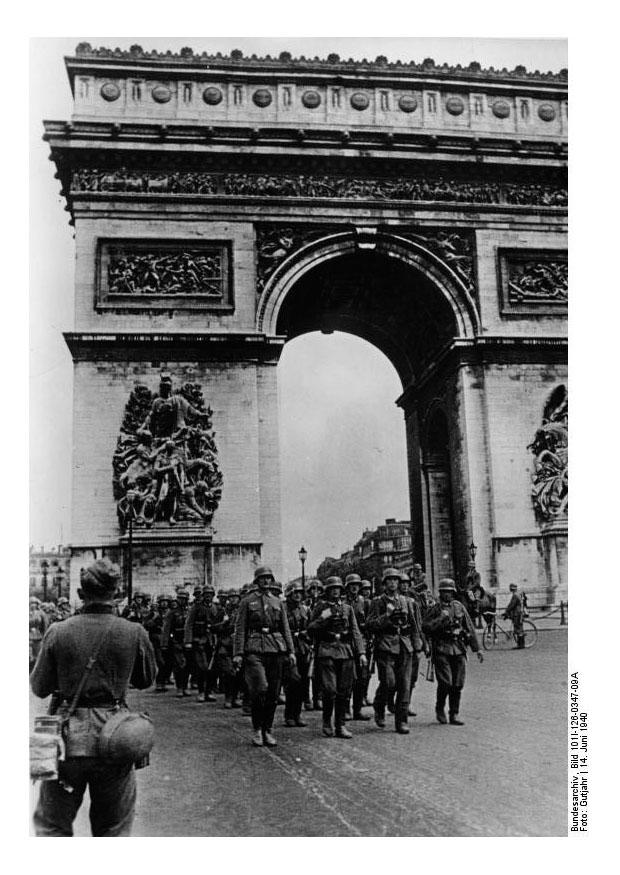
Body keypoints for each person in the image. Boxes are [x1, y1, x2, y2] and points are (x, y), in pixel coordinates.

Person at [30, 558, 157, 837]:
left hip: (66, 741)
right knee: (113, 830)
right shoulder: (133, 631)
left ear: (80, 594)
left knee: (52, 827)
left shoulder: (58, 631)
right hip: (116, 738)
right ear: (117, 594)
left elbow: (39, 687)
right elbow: (146, 680)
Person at [233, 566, 296, 747]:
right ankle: (257, 729)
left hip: (276, 649)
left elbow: (285, 628)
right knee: (260, 688)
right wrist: (238, 653)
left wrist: (291, 651)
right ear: (257, 581)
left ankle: (267, 729)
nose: (266, 581)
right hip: (254, 649)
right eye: (262, 578)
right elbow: (240, 628)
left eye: (269, 578)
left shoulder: (278, 602)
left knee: (273, 693)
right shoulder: (247, 601)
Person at [307, 576, 367, 739]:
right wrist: (325, 617)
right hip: (327, 650)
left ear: (342, 590)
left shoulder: (348, 608)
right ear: (327, 591)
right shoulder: (321, 607)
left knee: (344, 690)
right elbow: (311, 628)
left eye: (338, 588)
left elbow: (355, 631)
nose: (336, 591)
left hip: (346, 651)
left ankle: (340, 725)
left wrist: (361, 653)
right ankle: (327, 721)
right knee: (329, 689)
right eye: (332, 588)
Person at [367, 568, 423, 734]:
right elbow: (371, 624)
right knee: (389, 682)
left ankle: (401, 721)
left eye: (396, 580)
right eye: (389, 580)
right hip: (385, 645)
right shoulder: (378, 602)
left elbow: (414, 625)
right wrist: (387, 616)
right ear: (384, 584)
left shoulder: (407, 601)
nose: (393, 583)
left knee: (405, 685)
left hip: (405, 645)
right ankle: (379, 705)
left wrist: (417, 644)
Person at [422, 578, 483, 726]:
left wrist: (478, 649)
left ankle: (454, 713)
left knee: (458, 683)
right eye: (444, 592)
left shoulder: (459, 607)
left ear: (453, 592)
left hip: (458, 648)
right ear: (440, 593)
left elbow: (469, 627)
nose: (447, 595)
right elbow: (426, 627)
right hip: (441, 648)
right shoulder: (435, 608)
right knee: (445, 682)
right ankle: (440, 708)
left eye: (449, 592)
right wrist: (441, 619)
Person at [184, 584, 222, 702]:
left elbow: (219, 624)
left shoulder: (216, 608)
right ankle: (201, 692)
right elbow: (189, 624)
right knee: (202, 667)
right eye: (206, 595)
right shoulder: (196, 607)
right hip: (199, 641)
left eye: (210, 595)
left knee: (212, 668)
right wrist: (188, 641)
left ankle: (209, 691)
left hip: (212, 641)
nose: (208, 597)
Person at [283, 581, 311, 727]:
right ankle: (289, 714)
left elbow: (311, 626)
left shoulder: (305, 609)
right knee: (293, 680)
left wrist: (307, 635)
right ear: (288, 594)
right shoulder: (283, 609)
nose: (298, 595)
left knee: (303, 682)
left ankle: (297, 714)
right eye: (295, 593)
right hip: (289, 648)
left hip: (303, 648)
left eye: (300, 592)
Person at [344, 573, 370, 721]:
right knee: (348, 677)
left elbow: (370, 621)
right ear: (347, 587)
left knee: (362, 677)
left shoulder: (365, 602)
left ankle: (357, 709)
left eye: (357, 585)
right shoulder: (342, 603)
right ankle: (346, 708)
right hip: (347, 643)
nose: (354, 587)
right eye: (351, 585)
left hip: (362, 643)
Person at [161, 588, 190, 697]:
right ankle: (179, 687)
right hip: (176, 640)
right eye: (181, 599)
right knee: (179, 665)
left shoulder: (189, 610)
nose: (182, 601)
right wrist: (164, 643)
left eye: (184, 599)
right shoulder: (172, 612)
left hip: (187, 640)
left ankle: (185, 686)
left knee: (188, 665)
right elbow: (166, 628)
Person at [503, 584, 526, 648]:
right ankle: (521, 644)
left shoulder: (515, 595)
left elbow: (511, 605)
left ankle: (520, 645)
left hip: (517, 614)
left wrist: (506, 611)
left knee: (518, 628)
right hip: (518, 613)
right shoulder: (517, 594)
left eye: (510, 588)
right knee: (519, 628)